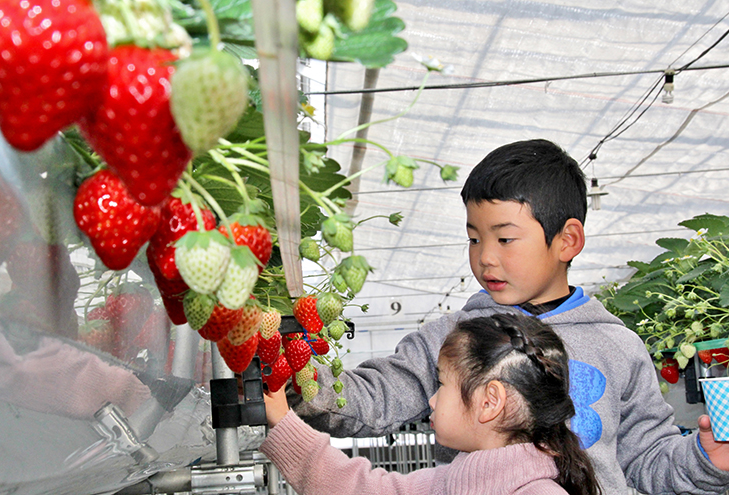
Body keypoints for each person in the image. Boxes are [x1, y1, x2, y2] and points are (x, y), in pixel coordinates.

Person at [289, 139, 729, 494]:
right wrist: (297, 380)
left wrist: (706, 460)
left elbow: (649, 458)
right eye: (474, 238)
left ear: (567, 241)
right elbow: (377, 396)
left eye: (505, 239)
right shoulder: (455, 337)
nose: (485, 258)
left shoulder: (619, 347)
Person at [263, 313, 601, 495]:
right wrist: (282, 420)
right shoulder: (450, 482)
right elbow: (358, 488)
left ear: (489, 402)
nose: (432, 399)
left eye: (442, 383)